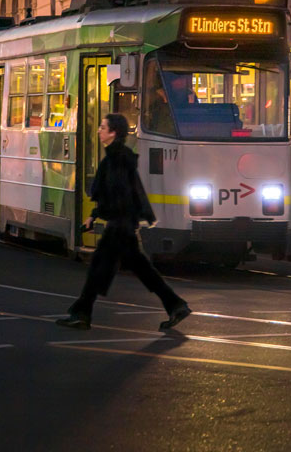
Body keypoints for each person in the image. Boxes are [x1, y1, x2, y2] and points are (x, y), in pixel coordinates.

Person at [56, 113, 191, 331]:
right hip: (123, 224)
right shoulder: (118, 156)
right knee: (141, 269)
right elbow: (118, 191)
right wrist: (95, 215)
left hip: (120, 226)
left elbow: (118, 193)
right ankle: (176, 305)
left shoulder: (116, 159)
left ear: (113, 133)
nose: (99, 130)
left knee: (99, 269)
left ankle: (82, 313)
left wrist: (101, 214)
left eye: (103, 127)